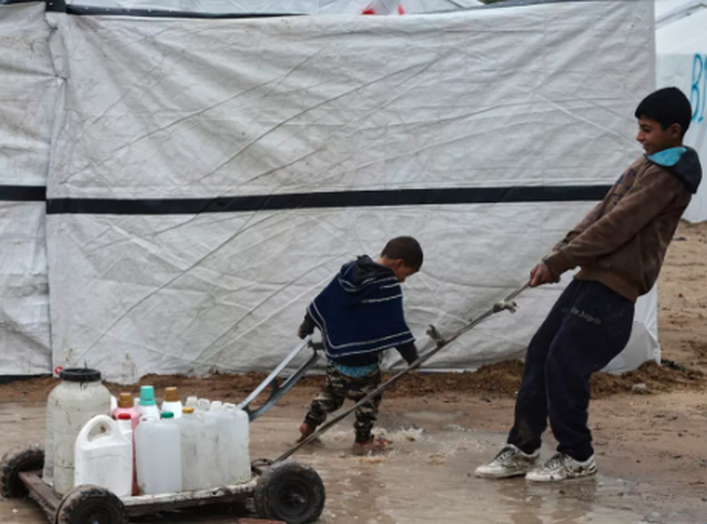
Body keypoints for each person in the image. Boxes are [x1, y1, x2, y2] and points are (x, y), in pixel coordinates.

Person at [476, 86, 702, 482]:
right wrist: (558, 254)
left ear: (674, 131)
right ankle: (523, 446)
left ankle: (577, 456)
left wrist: (562, 260)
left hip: (616, 285)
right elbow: (601, 211)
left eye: (647, 129)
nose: (639, 136)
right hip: (591, 276)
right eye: (639, 128)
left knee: (565, 363)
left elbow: (618, 225)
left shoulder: (669, 177)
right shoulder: (644, 164)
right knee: (541, 351)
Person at [297, 236, 422, 456]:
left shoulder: (348, 272)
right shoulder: (387, 285)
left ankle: (309, 424)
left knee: (332, 392)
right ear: (399, 264)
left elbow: (325, 300)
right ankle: (362, 441)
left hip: (336, 357)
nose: (403, 280)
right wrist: (413, 358)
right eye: (407, 274)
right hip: (365, 363)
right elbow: (396, 326)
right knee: (368, 401)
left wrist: (307, 325)